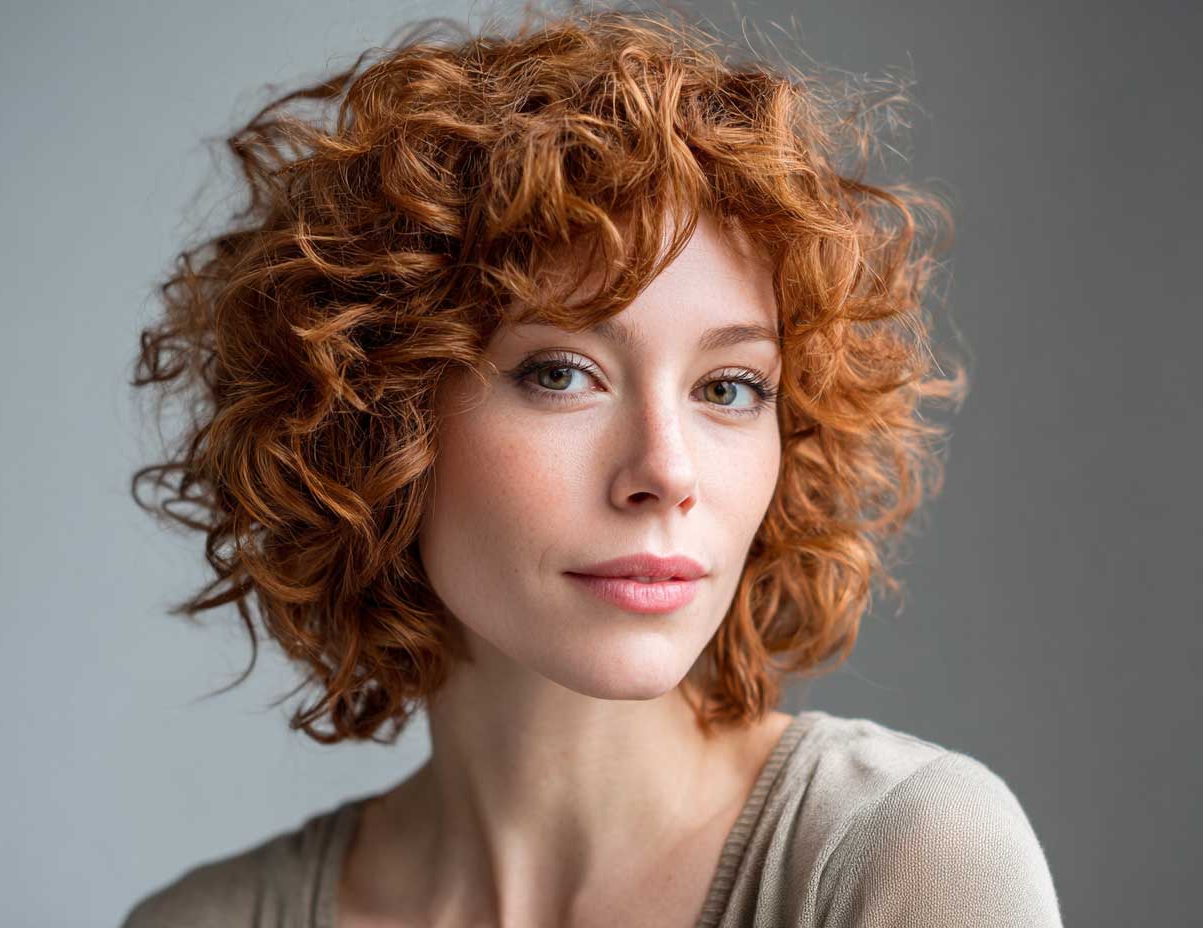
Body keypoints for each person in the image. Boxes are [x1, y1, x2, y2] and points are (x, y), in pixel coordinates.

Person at [120, 2, 1063, 925]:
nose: (667, 471)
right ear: (375, 420)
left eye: (730, 387)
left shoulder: (908, 859)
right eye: (561, 373)